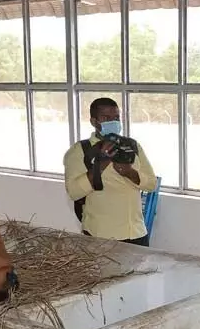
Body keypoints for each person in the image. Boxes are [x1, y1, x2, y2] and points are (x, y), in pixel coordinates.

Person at [64, 97, 157, 246]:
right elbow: (74, 192)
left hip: (137, 233)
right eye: (106, 118)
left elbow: (152, 184)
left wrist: (129, 173)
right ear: (94, 122)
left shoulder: (132, 146)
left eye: (116, 117)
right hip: (101, 236)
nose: (113, 122)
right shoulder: (81, 151)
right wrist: (101, 163)